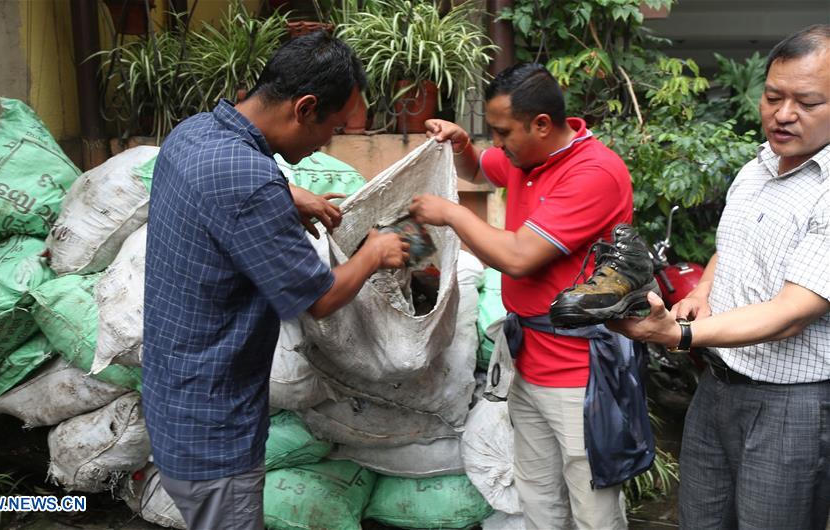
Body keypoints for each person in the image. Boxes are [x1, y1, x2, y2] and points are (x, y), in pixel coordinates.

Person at [142, 32, 409, 530]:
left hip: (175, 400)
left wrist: (287, 192)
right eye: (331, 127)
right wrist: (375, 253)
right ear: (305, 107)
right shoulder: (251, 182)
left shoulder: (194, 133)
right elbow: (321, 298)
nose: (327, 142)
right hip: (215, 432)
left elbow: (228, 184)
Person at [608, 24, 830, 530]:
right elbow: (731, 248)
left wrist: (678, 334)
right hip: (717, 387)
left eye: (807, 102)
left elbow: (790, 315)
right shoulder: (755, 169)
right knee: (700, 521)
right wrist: (704, 291)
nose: (783, 114)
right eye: (773, 96)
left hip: (791, 404)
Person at [409, 63, 633, 529]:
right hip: (529, 361)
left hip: (580, 373)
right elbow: (478, 168)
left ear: (542, 125)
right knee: (537, 496)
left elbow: (518, 256)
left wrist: (451, 213)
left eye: (501, 131)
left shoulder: (594, 172)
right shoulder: (524, 159)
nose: (498, 142)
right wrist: (460, 144)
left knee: (592, 504)